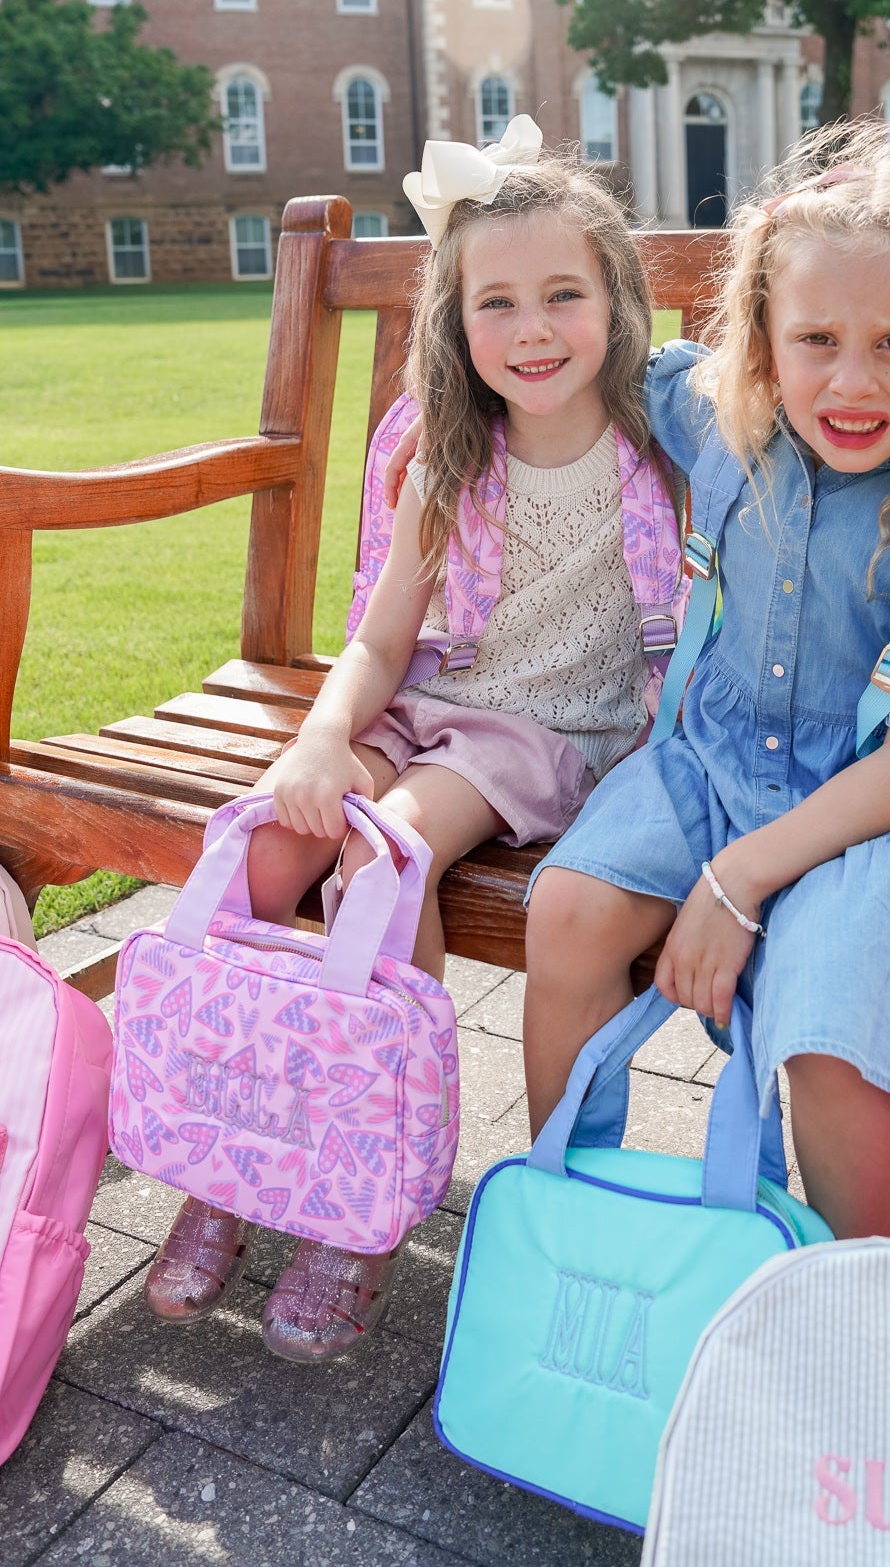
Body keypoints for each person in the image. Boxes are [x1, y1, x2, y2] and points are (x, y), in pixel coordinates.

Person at [142, 121, 680, 1360]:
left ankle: (356, 1195)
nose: (533, 327)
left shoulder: (663, 459)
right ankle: (228, 1165)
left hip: (550, 732)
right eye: (498, 301)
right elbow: (381, 648)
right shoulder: (446, 453)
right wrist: (323, 736)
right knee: (270, 850)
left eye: (563, 293)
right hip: (421, 702)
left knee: (382, 854)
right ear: (457, 319)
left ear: (617, 300)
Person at [522, 121, 890, 1241]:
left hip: (874, 809)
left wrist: (735, 883)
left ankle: (855, 1286)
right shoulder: (726, 423)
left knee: (823, 1012)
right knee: (570, 910)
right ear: (763, 339)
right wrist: (505, 227)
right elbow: (603, 350)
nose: (851, 379)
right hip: (707, 765)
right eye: (815, 336)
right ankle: (568, 1221)